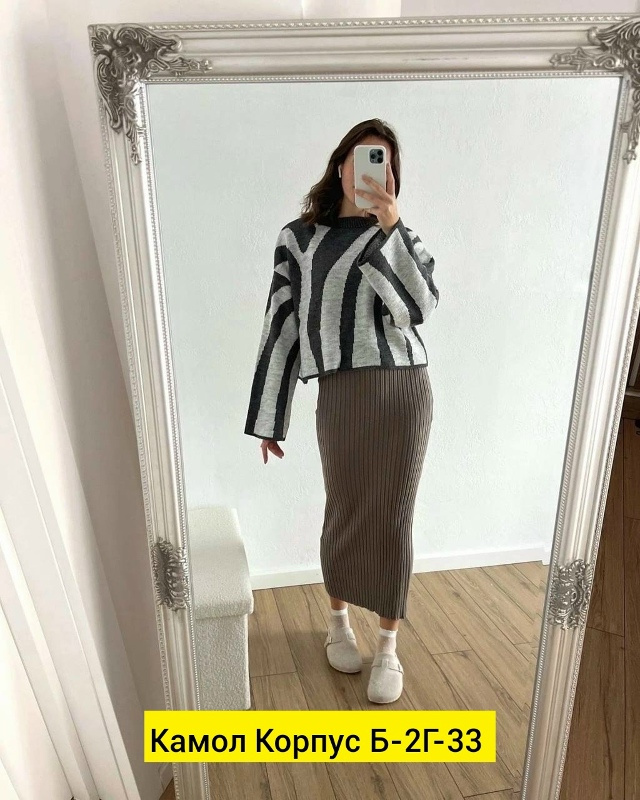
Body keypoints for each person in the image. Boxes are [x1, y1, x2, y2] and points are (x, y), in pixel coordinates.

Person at [244, 118, 439, 704]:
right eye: (362, 157)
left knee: (394, 514)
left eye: (383, 160)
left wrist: (391, 227)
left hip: (404, 391)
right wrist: (271, 416)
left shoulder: (400, 236)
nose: (371, 170)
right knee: (346, 507)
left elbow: (419, 308)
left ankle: (389, 646)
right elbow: (282, 326)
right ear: (339, 165)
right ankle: (338, 623)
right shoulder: (300, 240)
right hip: (342, 393)